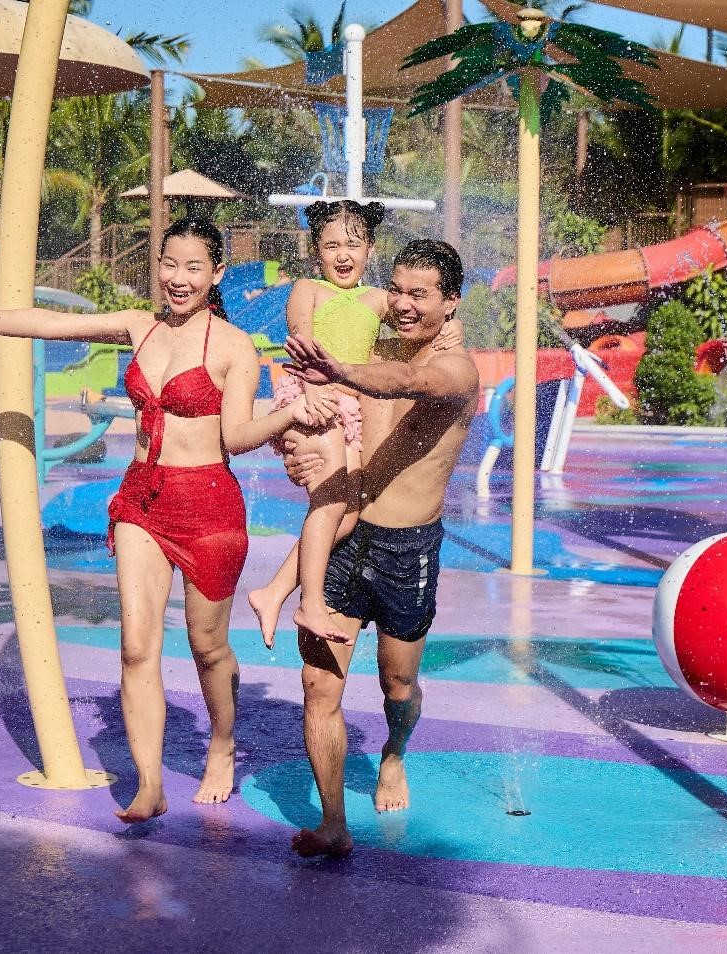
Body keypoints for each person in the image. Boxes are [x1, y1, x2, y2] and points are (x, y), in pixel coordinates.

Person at [0, 218, 335, 824]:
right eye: (169, 264)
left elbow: (237, 438)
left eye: (194, 267)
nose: (178, 278)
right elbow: (48, 323)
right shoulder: (140, 326)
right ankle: (149, 784)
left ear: (216, 274)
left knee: (208, 647)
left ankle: (222, 742)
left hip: (208, 505)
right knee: (136, 648)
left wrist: (289, 414)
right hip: (141, 499)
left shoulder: (233, 346)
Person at [279, 239, 479, 858]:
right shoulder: (373, 348)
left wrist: (342, 370)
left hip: (406, 549)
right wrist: (299, 453)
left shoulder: (458, 371)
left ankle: (394, 752)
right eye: (396, 289)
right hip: (348, 535)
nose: (403, 303)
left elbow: (409, 381)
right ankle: (333, 821)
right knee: (319, 686)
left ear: (450, 302)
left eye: (420, 294)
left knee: (398, 686)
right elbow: (337, 427)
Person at [248, 201, 462, 647]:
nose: (342, 255)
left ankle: (273, 591)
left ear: (370, 249)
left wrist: (452, 329)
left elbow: (414, 314)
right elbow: (301, 339)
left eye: (353, 244)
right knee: (330, 505)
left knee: (345, 516)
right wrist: (310, 394)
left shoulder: (379, 298)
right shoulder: (308, 288)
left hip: (346, 411)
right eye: (331, 246)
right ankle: (310, 603)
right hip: (312, 397)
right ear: (316, 251)